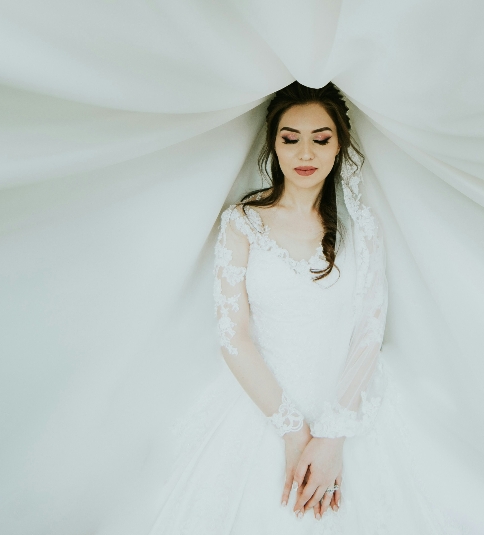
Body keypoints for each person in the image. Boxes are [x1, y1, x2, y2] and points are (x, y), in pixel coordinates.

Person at [145, 82, 450, 534]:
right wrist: (293, 432)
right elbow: (234, 337)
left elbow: (369, 332)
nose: (305, 153)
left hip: (347, 409)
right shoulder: (242, 221)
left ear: (339, 145)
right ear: (273, 144)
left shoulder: (361, 228)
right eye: (291, 138)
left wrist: (330, 436)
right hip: (262, 410)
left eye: (321, 138)